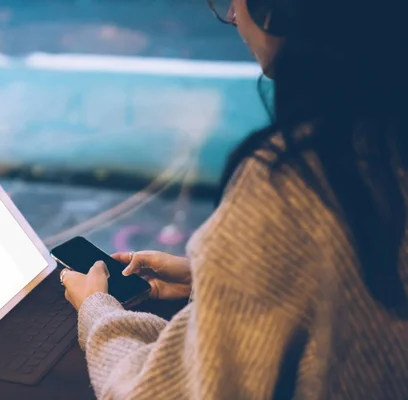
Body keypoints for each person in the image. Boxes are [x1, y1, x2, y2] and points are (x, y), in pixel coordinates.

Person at [61, 0, 408, 397]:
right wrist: (213, 280)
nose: (232, 15)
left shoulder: (293, 183)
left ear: (275, 9)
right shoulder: (385, 136)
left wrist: (98, 311)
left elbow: (156, 393)